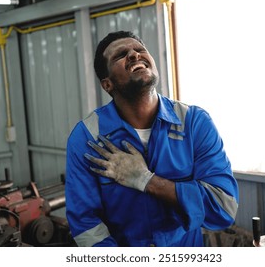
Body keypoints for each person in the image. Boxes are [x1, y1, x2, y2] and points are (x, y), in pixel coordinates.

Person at [65, 30, 239, 247]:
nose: (134, 55)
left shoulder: (194, 123)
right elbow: (86, 225)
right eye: (120, 55)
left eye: (140, 50)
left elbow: (223, 208)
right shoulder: (87, 138)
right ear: (107, 84)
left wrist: (146, 180)